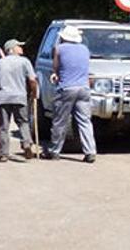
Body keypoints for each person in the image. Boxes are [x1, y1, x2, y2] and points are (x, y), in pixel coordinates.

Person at [41, 25, 97, 163]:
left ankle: (54, 151)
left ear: (64, 37)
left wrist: (56, 75)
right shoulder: (85, 49)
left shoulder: (59, 49)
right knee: (85, 121)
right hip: (84, 88)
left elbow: (56, 68)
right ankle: (90, 151)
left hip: (66, 88)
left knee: (60, 121)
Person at [0, 38, 37, 161]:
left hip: (3, 97)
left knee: (4, 126)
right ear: (11, 49)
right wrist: (34, 93)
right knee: (23, 122)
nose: (21, 48)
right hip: (20, 96)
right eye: (19, 46)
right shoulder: (25, 62)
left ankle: (3, 153)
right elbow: (32, 80)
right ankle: (26, 143)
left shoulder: (0, 63)